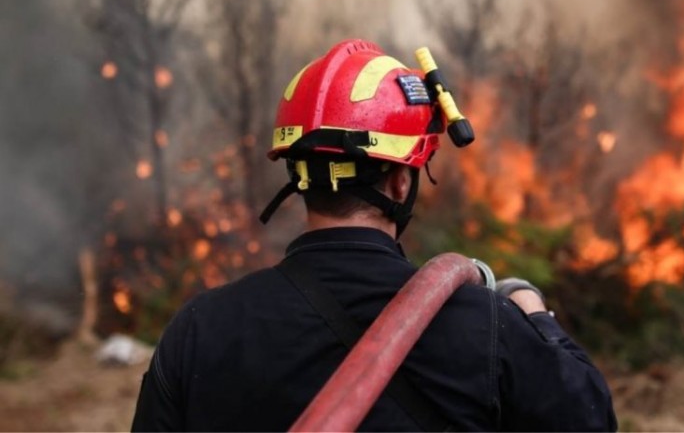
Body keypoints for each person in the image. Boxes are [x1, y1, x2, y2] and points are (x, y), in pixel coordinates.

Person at [131, 39, 617, 431]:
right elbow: (591, 418)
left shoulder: (200, 330)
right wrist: (534, 314)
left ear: (298, 175)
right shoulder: (487, 329)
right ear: (401, 181)